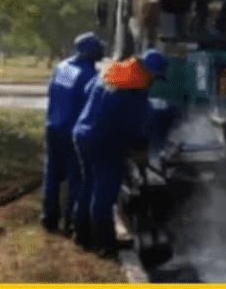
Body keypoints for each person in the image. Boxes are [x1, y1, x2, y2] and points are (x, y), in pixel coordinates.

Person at [71, 49, 166, 257]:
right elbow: (135, 127)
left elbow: (88, 91)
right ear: (148, 72)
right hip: (103, 142)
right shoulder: (135, 91)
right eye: (155, 77)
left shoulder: (112, 71)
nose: (153, 82)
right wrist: (140, 150)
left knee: (88, 184)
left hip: (82, 134)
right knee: (105, 191)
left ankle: (81, 234)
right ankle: (104, 244)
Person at [41, 32, 104, 236]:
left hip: (52, 128)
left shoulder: (61, 67)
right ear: (91, 52)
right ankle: (71, 222)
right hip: (70, 132)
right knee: (76, 178)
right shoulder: (89, 75)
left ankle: (49, 217)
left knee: (51, 174)